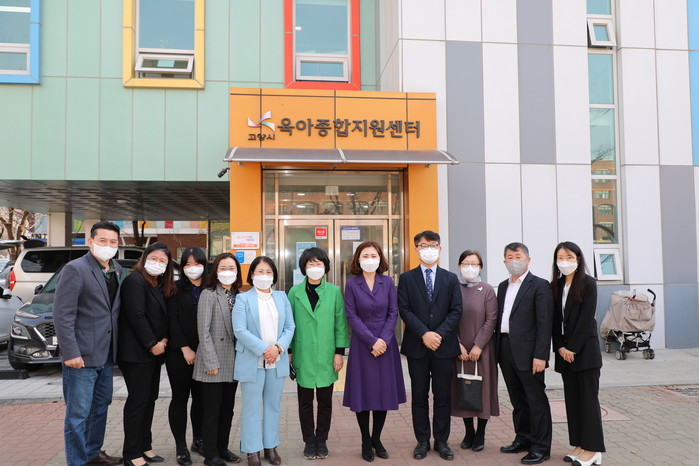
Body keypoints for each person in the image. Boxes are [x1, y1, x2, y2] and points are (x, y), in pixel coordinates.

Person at [53, 221, 124, 466]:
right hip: (81, 356)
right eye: (103, 240)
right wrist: (70, 352)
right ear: (90, 241)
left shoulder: (116, 269)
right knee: (78, 414)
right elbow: (63, 315)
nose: (108, 245)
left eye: (113, 242)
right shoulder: (75, 269)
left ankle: (93, 453)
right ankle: (77, 461)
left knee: (100, 407)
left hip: (106, 354)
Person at [397, 230, 462, 461]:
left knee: (443, 396)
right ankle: (422, 440)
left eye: (433, 245)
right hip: (417, 346)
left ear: (440, 249)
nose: (429, 249)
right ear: (416, 249)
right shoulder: (406, 278)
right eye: (424, 245)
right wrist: (424, 333)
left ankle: (442, 441)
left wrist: (439, 335)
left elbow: (456, 310)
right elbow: (404, 309)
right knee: (419, 396)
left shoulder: (450, 278)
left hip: (444, 347)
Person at [343, 241, 406, 462]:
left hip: (386, 345)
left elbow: (393, 312)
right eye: (365, 255)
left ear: (380, 259)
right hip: (363, 345)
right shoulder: (352, 284)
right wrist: (372, 341)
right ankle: (365, 440)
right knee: (363, 392)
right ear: (358, 259)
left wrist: (384, 340)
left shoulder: (387, 282)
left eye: (373, 255)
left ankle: (376, 439)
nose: (369, 259)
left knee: (383, 392)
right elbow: (351, 316)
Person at [232, 256, 295, 466]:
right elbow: (240, 330)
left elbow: (290, 327)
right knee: (251, 407)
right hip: (252, 360)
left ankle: (271, 446)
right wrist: (264, 350)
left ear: (274, 276)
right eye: (260, 271)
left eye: (268, 272)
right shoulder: (243, 299)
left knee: (273, 405)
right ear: (252, 274)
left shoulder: (281, 297)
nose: (264, 275)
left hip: (277, 360)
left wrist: (278, 348)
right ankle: (252, 450)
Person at [287, 247, 349, 460]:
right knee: (304, 402)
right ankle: (308, 441)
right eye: (310, 263)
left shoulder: (334, 292)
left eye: (319, 263)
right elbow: (289, 324)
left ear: (325, 267)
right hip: (302, 353)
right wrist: (289, 351)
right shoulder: (294, 292)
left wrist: (339, 353)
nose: (315, 267)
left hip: (326, 354)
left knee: (325, 402)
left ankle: (321, 440)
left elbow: (340, 324)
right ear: (303, 267)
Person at [118, 242, 176, 466]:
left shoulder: (156, 283)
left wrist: (164, 340)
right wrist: (152, 343)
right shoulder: (135, 281)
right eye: (154, 258)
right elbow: (136, 316)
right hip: (137, 353)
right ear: (144, 258)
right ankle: (131, 453)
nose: (157, 263)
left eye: (163, 261)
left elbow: (162, 316)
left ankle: (145, 446)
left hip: (153, 353)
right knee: (138, 402)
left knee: (149, 400)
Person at [496, 242, 554, 465]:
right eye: (510, 257)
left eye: (518, 256)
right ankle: (523, 438)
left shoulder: (539, 285)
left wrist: (541, 355)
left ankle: (541, 447)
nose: (514, 261)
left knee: (535, 400)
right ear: (504, 262)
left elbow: (544, 323)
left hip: (530, 353)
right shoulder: (503, 286)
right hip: (505, 348)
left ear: (528, 260)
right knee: (517, 400)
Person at [550, 242, 605, 466]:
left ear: (578, 259)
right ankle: (579, 445)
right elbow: (554, 321)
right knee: (572, 402)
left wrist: (572, 347)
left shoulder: (588, 283)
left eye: (569, 257)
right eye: (560, 257)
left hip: (584, 353)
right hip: (565, 354)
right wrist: (560, 347)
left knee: (588, 402)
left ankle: (593, 450)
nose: (564, 261)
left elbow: (586, 319)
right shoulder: (556, 285)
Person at [192, 252, 243, 466]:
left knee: (227, 410)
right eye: (223, 268)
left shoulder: (240, 295)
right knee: (212, 411)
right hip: (213, 361)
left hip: (233, 361)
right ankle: (210, 454)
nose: (227, 272)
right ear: (215, 272)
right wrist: (210, 362)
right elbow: (203, 331)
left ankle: (223, 448)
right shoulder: (209, 294)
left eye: (231, 268)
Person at [451, 250, 499, 452]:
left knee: (483, 390)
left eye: (474, 263)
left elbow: (491, 319)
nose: (469, 267)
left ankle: (481, 433)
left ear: (480, 267)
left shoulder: (487, 290)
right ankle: (469, 431)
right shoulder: (453, 288)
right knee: (463, 387)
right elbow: (448, 318)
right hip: (460, 349)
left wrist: (479, 345)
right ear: (459, 265)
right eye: (465, 263)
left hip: (483, 349)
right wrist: (457, 344)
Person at [165, 247, 207, 465]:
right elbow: (172, 319)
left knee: (201, 399)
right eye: (187, 264)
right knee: (180, 399)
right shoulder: (175, 288)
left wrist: (204, 350)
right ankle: (181, 446)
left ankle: (198, 440)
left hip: (205, 353)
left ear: (204, 265)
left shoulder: (211, 286)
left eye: (197, 263)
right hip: (179, 354)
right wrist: (185, 348)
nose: (192, 268)